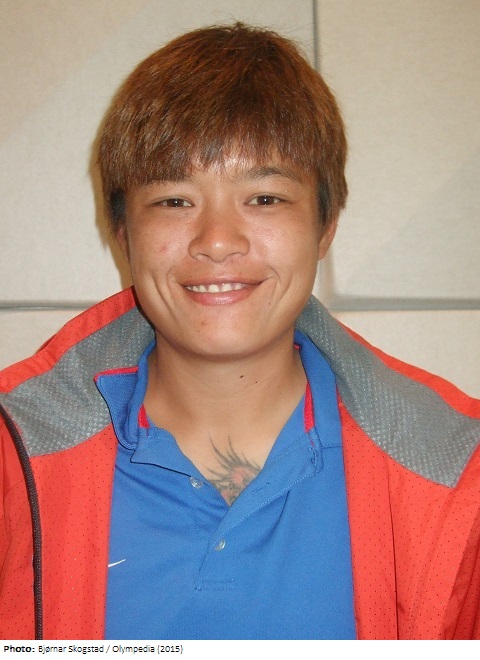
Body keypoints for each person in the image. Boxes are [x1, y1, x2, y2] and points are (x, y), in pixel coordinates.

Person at [0, 22, 479, 642]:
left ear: (325, 225)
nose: (218, 241)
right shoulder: (14, 463)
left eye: (265, 198)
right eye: (174, 201)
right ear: (123, 233)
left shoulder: (456, 472)